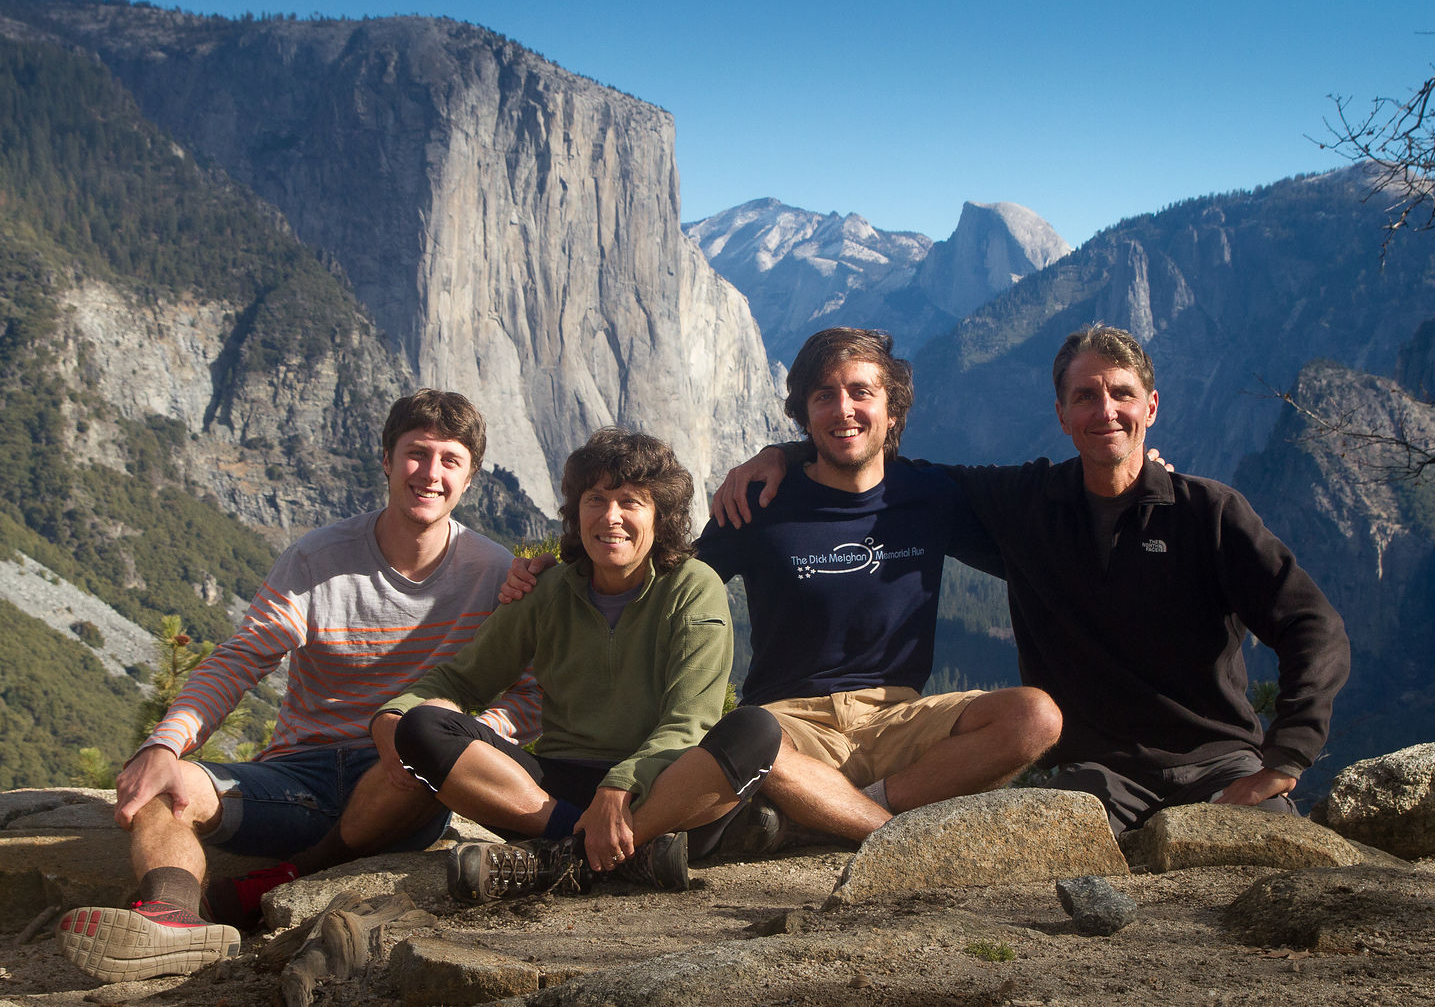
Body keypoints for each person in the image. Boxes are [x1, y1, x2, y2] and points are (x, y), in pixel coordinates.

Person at [717, 325, 1351, 834]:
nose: (1105, 411)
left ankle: (846, 816)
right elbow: (866, 461)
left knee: (1268, 867)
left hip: (1220, 765)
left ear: (1150, 407)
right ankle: (863, 822)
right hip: (1099, 779)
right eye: (1085, 397)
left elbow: (1310, 624)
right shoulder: (1026, 506)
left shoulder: (1208, 513)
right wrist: (789, 454)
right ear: (1061, 414)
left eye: (1121, 394)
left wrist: (1286, 757)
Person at [504, 330, 1061, 850]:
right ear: (804, 413)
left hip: (899, 719)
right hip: (785, 728)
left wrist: (1146, 470)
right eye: (824, 395)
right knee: (744, 740)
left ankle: (842, 813)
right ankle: (885, 836)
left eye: (860, 393)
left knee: (1034, 716)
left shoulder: (934, 496)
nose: (843, 409)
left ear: (892, 410)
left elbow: (1049, 511)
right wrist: (556, 571)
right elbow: (659, 585)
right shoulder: (758, 505)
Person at [56, 390, 541, 983]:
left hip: (404, 786)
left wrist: (463, 739)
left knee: (418, 747)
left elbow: (531, 693)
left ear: (470, 479)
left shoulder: (494, 572)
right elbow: (240, 660)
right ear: (386, 459)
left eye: (449, 460)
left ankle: (298, 874)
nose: (430, 474)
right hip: (297, 776)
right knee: (165, 787)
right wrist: (165, 744)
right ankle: (171, 921)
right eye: (416, 454)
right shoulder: (318, 559)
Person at [376, 427, 780, 904]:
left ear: (660, 516)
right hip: (556, 792)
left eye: (631, 502)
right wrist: (395, 713)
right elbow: (463, 679)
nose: (610, 517)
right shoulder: (549, 589)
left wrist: (620, 786)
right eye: (595, 499)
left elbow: (690, 720)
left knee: (756, 730)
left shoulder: (693, 587)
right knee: (424, 727)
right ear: (576, 510)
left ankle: (558, 860)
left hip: (660, 785)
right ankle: (614, 851)